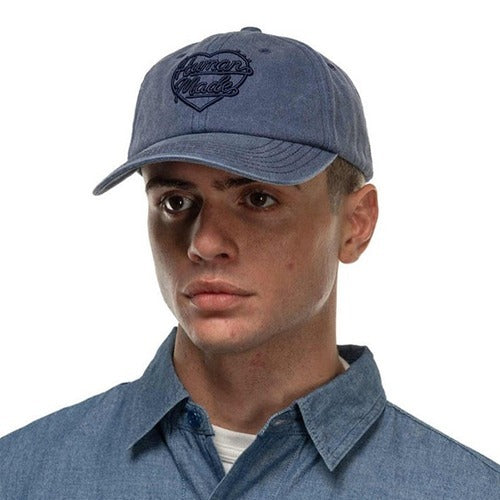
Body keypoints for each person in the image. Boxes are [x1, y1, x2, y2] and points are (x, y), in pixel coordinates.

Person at [0, 27, 498, 499]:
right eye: (175, 201)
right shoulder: (20, 476)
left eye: (258, 199)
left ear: (356, 224)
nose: (205, 242)